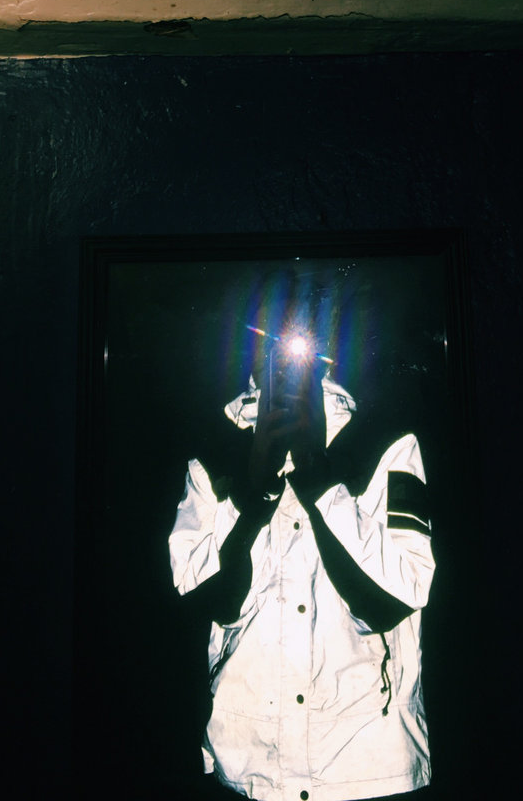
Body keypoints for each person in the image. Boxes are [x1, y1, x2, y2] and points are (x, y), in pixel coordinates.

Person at [168, 283, 435, 801]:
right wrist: (250, 495)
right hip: (248, 770)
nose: (282, 352)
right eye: (266, 332)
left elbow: (398, 596)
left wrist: (321, 482)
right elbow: (198, 600)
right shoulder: (212, 457)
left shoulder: (387, 442)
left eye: (295, 332)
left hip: (369, 769)